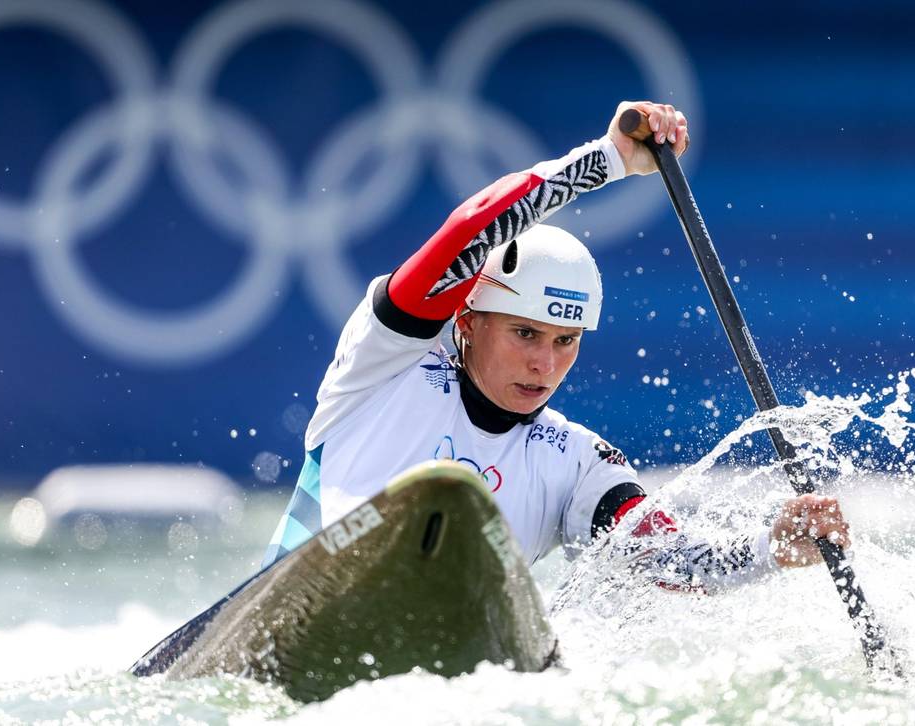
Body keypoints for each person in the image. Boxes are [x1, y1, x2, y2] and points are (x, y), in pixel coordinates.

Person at [261, 101, 850, 590]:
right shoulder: (386, 362)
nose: (545, 364)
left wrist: (768, 548)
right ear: (467, 320)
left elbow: (666, 559)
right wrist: (608, 159)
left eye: (566, 341)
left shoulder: (575, 461)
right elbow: (468, 231)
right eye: (525, 333)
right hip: (294, 620)